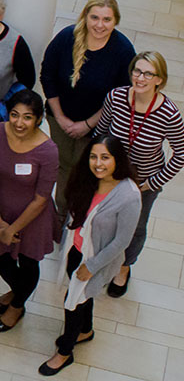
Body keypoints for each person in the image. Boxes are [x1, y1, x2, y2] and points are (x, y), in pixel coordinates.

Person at [38, 136, 141, 376]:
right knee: (84, 297)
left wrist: (91, 267)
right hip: (74, 251)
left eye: (105, 157)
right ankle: (86, 330)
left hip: (96, 259)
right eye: (93, 157)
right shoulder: (88, 180)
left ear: (118, 159)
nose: (98, 163)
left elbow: (121, 242)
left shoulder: (129, 195)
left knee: (72, 300)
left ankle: (65, 351)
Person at [40, 0, 135, 230]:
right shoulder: (66, 38)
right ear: (85, 16)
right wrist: (60, 117)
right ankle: (61, 211)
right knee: (63, 164)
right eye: (94, 17)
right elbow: (48, 75)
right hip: (59, 118)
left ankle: (82, 214)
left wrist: (87, 124)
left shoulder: (123, 51)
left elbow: (121, 94)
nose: (99, 25)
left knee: (88, 169)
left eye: (107, 19)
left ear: (116, 21)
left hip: (97, 125)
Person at [95, 51, 184, 297]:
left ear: (159, 80)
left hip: (143, 184)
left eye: (148, 73)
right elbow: (101, 134)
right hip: (109, 178)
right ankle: (102, 259)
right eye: (137, 71)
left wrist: (151, 183)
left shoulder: (169, 114)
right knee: (105, 222)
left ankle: (124, 267)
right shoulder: (116, 97)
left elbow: (181, 153)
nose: (140, 78)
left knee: (134, 227)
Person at [0, 89, 58, 332]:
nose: (19, 122)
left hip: (32, 218)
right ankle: (18, 292)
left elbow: (41, 198)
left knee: (28, 264)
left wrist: (13, 229)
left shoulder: (48, 151)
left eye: (27, 117)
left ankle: (17, 305)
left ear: (38, 120)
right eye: (14, 115)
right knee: (2, 261)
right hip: (0, 211)